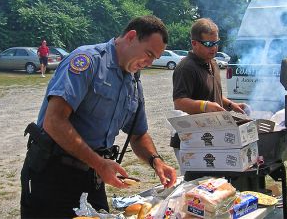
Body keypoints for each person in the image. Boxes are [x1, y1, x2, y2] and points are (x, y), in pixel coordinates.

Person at [21, 15, 177, 218]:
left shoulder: (133, 83)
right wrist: (99, 163)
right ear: (131, 37)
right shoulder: (88, 60)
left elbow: (138, 135)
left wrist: (157, 161)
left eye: (154, 59)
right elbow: (54, 121)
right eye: (148, 54)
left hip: (92, 179)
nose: (148, 63)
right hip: (53, 175)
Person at [171, 18, 249, 181]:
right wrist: (205, 106)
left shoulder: (212, 63)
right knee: (198, 188)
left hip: (212, 137)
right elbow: (179, 101)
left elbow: (212, 93)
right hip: (191, 141)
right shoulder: (186, 68)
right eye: (208, 44)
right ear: (194, 43)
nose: (214, 48)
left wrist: (230, 104)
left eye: (216, 43)